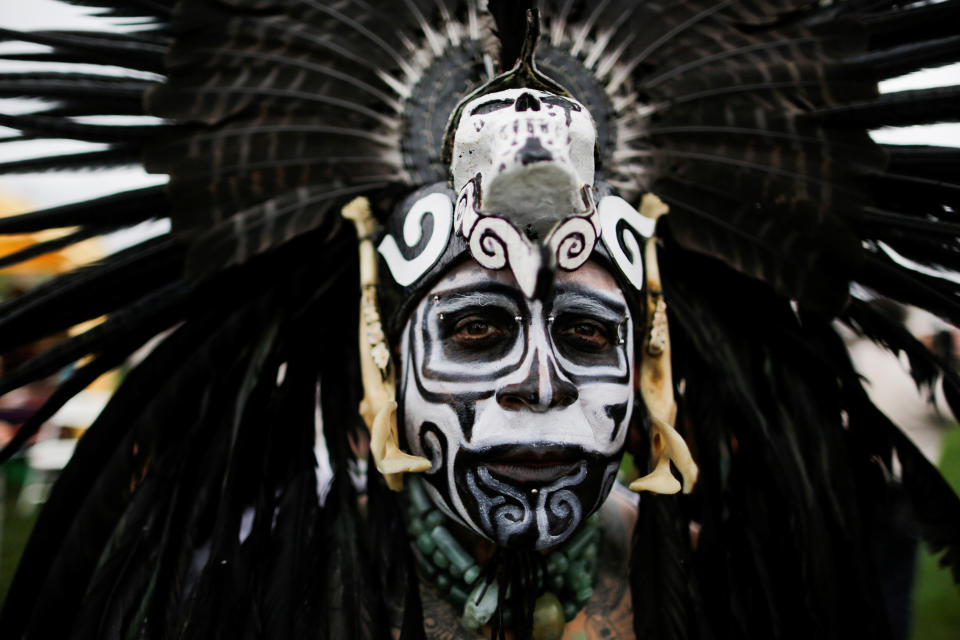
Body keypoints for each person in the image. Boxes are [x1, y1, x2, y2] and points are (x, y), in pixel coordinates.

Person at [0, 2, 959, 639]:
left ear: (648, 377)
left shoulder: (725, 598)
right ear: (388, 371)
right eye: (474, 331)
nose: (540, 383)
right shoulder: (250, 597)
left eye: (588, 337)